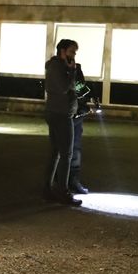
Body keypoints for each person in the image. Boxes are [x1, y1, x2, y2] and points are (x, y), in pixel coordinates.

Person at [43, 38, 82, 206]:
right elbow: (64, 88)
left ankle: (48, 189)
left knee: (56, 153)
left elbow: (78, 86)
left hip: (60, 112)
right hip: (61, 113)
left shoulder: (61, 66)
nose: (74, 55)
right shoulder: (56, 67)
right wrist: (72, 72)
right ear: (63, 51)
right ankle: (63, 192)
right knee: (66, 154)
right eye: (72, 51)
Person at [69, 61, 94, 194]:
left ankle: (72, 180)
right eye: (71, 52)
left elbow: (81, 90)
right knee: (65, 150)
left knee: (76, 148)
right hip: (66, 116)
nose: (73, 56)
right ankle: (63, 181)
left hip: (77, 115)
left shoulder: (76, 69)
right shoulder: (60, 70)